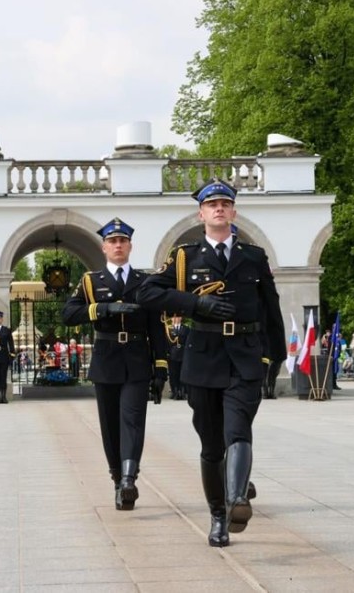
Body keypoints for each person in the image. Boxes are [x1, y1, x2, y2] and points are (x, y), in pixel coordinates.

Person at [140, 179, 286, 547]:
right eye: (212, 204)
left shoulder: (254, 257)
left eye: (225, 203)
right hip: (203, 356)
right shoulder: (185, 256)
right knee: (211, 444)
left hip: (245, 355)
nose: (219, 208)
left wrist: (275, 356)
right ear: (201, 213)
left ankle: (236, 501)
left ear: (233, 212)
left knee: (238, 430)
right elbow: (148, 292)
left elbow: (272, 310)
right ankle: (217, 514)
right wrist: (195, 304)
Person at [62, 217, 168, 511]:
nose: (118, 245)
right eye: (112, 241)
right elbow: (68, 314)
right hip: (106, 359)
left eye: (122, 241)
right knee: (110, 426)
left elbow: (157, 327)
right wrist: (102, 308)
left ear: (130, 246)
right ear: (104, 247)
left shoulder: (144, 282)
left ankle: (130, 479)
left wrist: (160, 367)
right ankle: (117, 478)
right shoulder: (90, 282)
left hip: (136, 359)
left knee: (132, 421)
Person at [166, 313, 190, 401]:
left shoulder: (186, 328)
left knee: (182, 373)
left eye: (178, 317)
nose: (176, 318)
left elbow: (188, 341)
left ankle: (183, 391)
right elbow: (166, 342)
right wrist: (167, 353)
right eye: (174, 317)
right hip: (172, 354)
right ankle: (175, 391)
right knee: (173, 374)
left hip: (183, 354)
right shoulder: (168, 328)